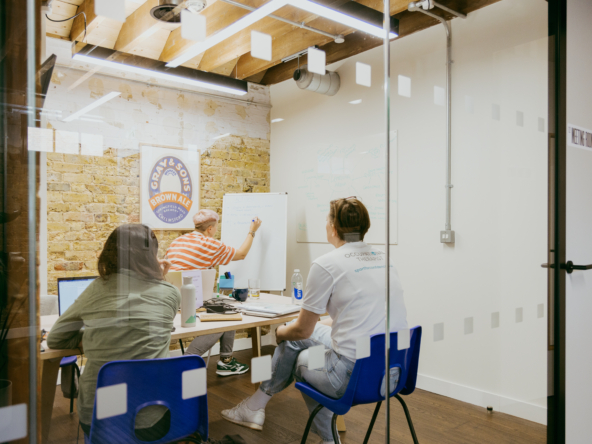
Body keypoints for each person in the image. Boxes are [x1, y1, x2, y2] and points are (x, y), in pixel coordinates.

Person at [220, 198, 408, 444]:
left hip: (352, 377)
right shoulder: (385, 258)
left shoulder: (327, 264)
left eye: (327, 221)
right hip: (393, 373)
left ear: (333, 228)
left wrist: (280, 332)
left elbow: (302, 331)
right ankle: (255, 406)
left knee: (297, 352)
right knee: (305, 340)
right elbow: (360, 318)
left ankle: (324, 438)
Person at [47, 224, 181, 441]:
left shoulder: (97, 288)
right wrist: (159, 276)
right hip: (152, 417)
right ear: (152, 256)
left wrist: (93, 337)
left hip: (99, 417)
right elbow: (142, 327)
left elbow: (55, 338)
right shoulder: (171, 293)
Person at [165, 209, 262, 376]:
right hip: (191, 302)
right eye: (216, 227)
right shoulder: (210, 244)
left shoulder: (177, 241)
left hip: (169, 299)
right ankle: (186, 362)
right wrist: (252, 231)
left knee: (226, 308)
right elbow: (241, 254)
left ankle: (226, 361)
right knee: (225, 319)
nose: (216, 230)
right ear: (210, 229)